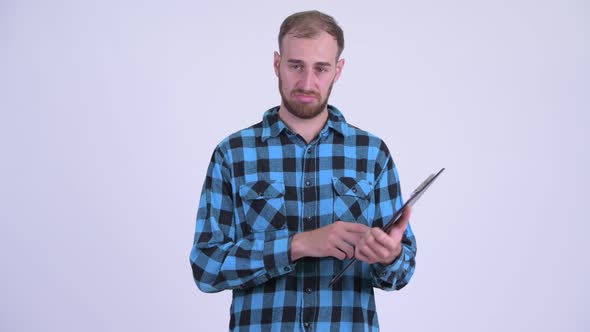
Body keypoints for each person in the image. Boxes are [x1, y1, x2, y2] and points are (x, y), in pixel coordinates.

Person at [190, 10, 417, 331]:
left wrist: (390, 256)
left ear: (338, 70)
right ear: (276, 64)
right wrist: (298, 244)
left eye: (321, 68)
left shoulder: (372, 154)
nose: (307, 82)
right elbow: (206, 268)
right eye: (295, 65)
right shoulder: (233, 153)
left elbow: (401, 273)